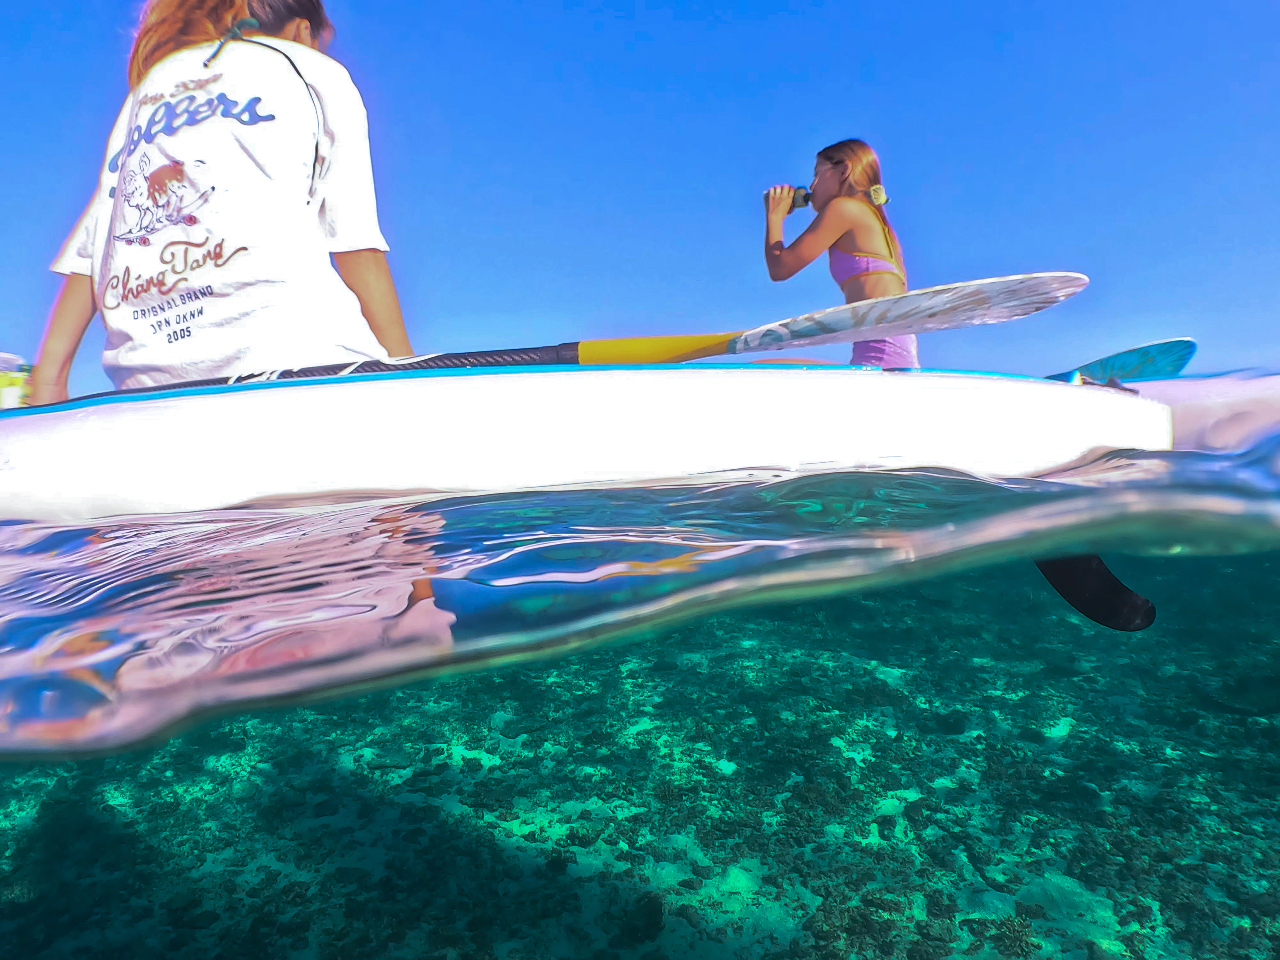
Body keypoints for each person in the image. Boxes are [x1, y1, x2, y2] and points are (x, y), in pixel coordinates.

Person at [29, 0, 412, 405]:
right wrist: (409, 373)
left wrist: (50, 378)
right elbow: (355, 243)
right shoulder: (313, 69)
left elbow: (99, 239)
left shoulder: (151, 86)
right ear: (302, 30)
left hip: (148, 388)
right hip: (300, 361)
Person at [763, 139, 918, 368]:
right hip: (891, 356)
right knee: (770, 365)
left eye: (817, 174)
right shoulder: (878, 224)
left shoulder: (844, 208)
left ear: (844, 170)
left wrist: (774, 216)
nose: (812, 185)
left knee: (767, 367)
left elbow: (780, 268)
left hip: (881, 359)